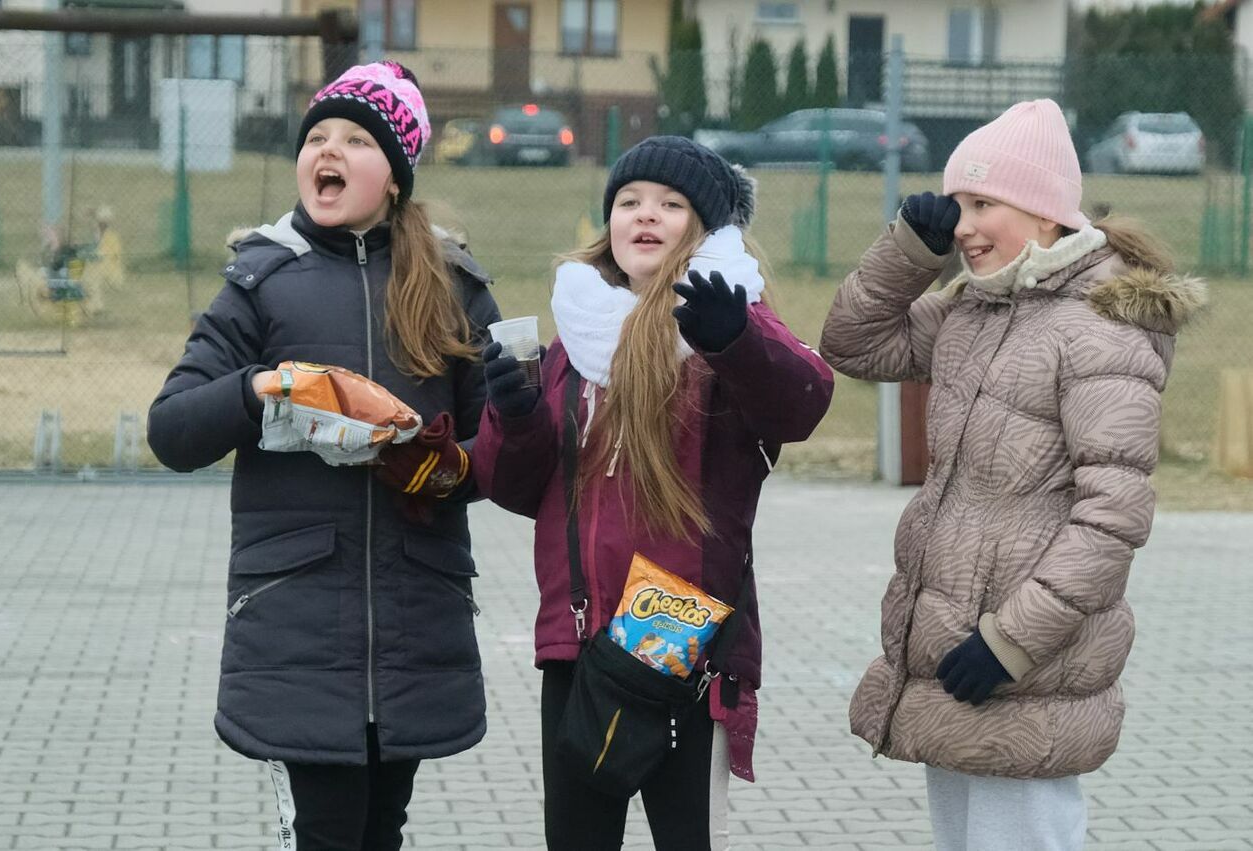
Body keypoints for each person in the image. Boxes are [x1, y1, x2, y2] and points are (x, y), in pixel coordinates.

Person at [819, 99, 1206, 850]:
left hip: (1029, 660)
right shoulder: (973, 310)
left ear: (1046, 215)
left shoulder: (1101, 327)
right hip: (953, 649)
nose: (961, 225)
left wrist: (1011, 642)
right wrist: (907, 252)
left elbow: (1114, 511)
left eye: (982, 203)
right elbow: (853, 343)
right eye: (956, 203)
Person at [146, 60, 501, 851]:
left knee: (381, 829)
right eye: (317, 136)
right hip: (296, 620)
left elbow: (505, 454)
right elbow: (171, 430)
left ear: (397, 175)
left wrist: (445, 468)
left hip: (417, 617)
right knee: (327, 831)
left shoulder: (453, 285)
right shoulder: (260, 281)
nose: (327, 150)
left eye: (354, 138)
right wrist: (262, 385)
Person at [472, 136, 835, 851]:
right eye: (629, 201)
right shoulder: (572, 337)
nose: (646, 214)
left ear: (707, 229)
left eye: (672, 205)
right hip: (578, 644)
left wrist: (735, 340)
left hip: (683, 649)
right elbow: (510, 485)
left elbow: (803, 400)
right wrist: (512, 417)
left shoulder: (727, 316)